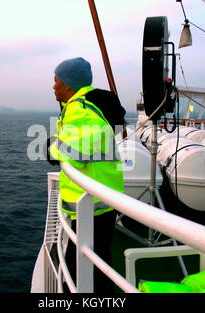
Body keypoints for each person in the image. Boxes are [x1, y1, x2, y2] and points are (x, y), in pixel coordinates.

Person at [48, 57, 124, 292]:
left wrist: (50, 147)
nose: (53, 86)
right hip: (99, 200)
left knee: (82, 267)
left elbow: (75, 152)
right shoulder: (86, 105)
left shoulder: (81, 108)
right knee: (96, 262)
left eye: (56, 81)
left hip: (91, 204)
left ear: (69, 85)